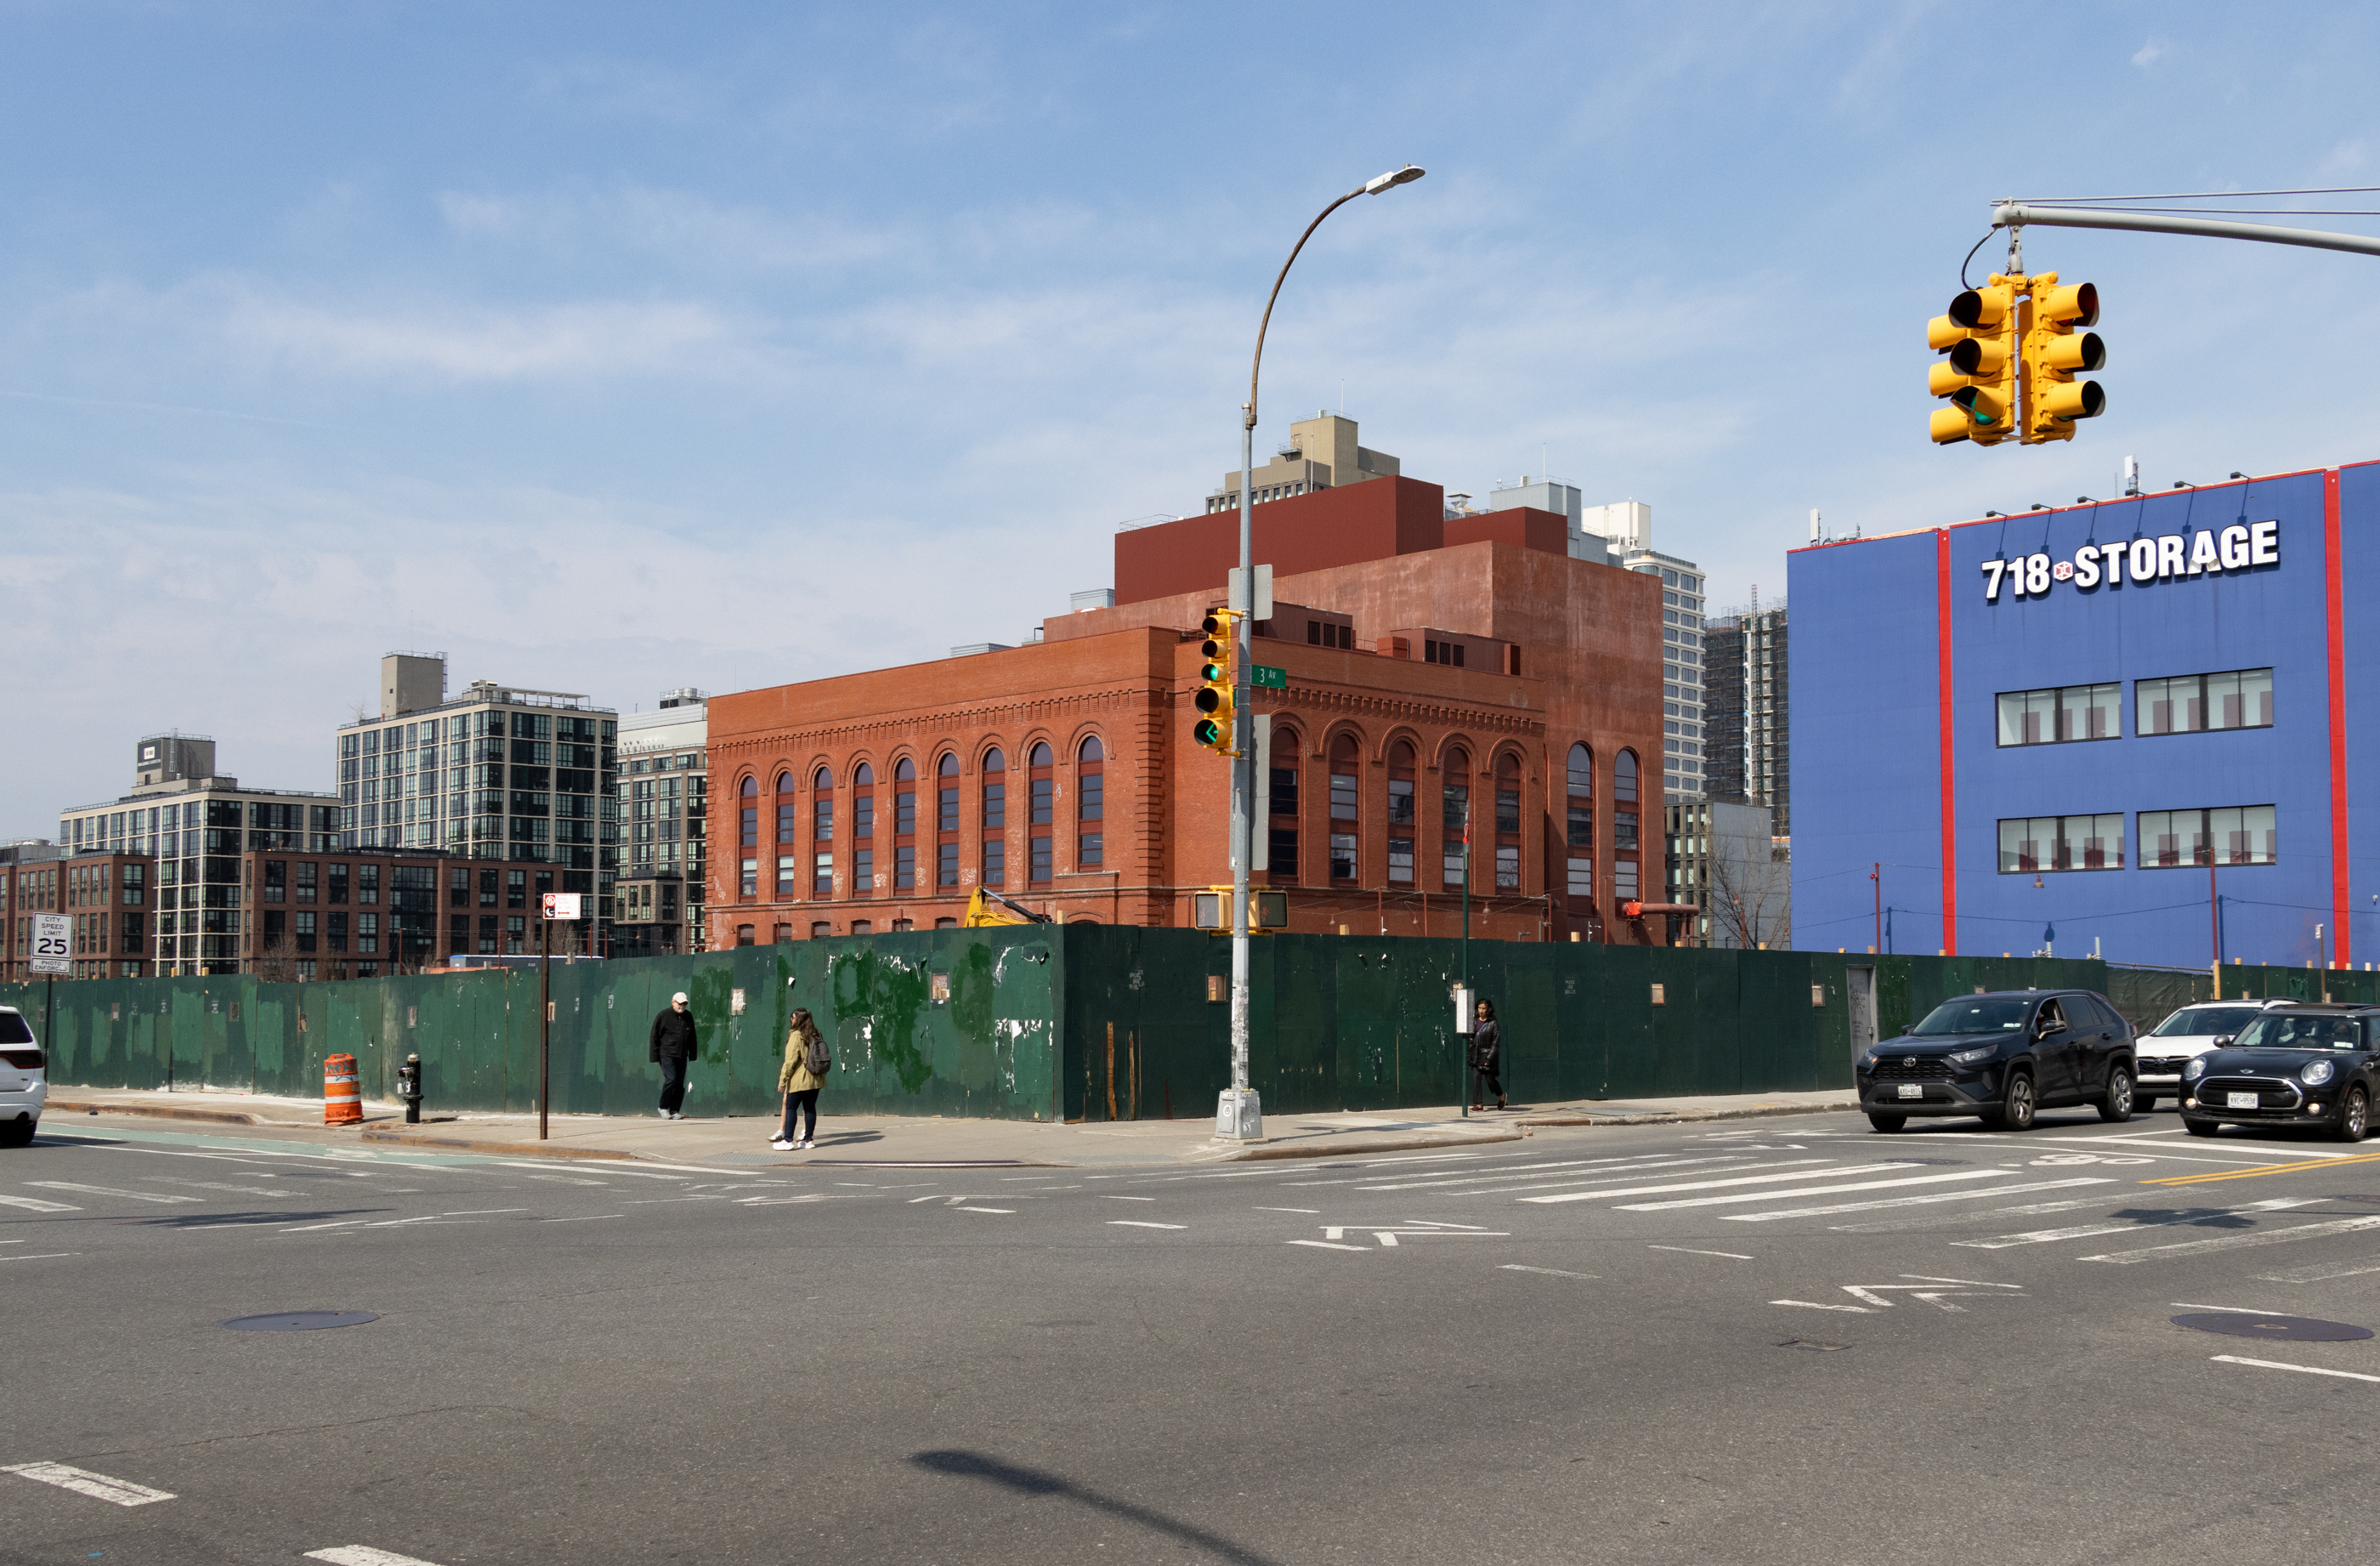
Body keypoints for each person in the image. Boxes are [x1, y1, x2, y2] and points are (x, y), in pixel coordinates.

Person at [774, 1007, 831, 1151]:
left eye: (793, 1018)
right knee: (810, 1108)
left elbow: (790, 1061)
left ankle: (788, 1140)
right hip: (816, 1078)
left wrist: (783, 1080)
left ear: (799, 1019)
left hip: (800, 1079)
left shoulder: (796, 1036)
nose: (791, 1020)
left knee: (791, 1107)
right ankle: (808, 1140)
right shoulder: (816, 1033)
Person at [649, 991, 698, 1120]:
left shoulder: (688, 1016)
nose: (682, 1006)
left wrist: (692, 1055)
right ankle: (663, 1107)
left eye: (684, 1004)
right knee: (671, 1079)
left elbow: (692, 1036)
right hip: (666, 1054)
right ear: (673, 1003)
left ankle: (675, 1110)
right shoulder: (663, 1015)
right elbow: (654, 1035)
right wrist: (654, 1056)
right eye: (680, 1003)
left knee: (680, 1084)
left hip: (682, 1055)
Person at [1470, 998, 1506, 1111]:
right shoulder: (1474, 1021)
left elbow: (1495, 1044)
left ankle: (1501, 1096)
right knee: (1476, 1078)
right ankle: (1479, 1104)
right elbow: (1470, 1040)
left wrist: (1489, 1059)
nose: (1481, 1011)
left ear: (1488, 1009)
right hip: (1476, 1055)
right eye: (1479, 1008)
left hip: (1488, 1057)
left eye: (1483, 1008)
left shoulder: (1493, 1023)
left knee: (1490, 1080)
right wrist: (1469, 1056)